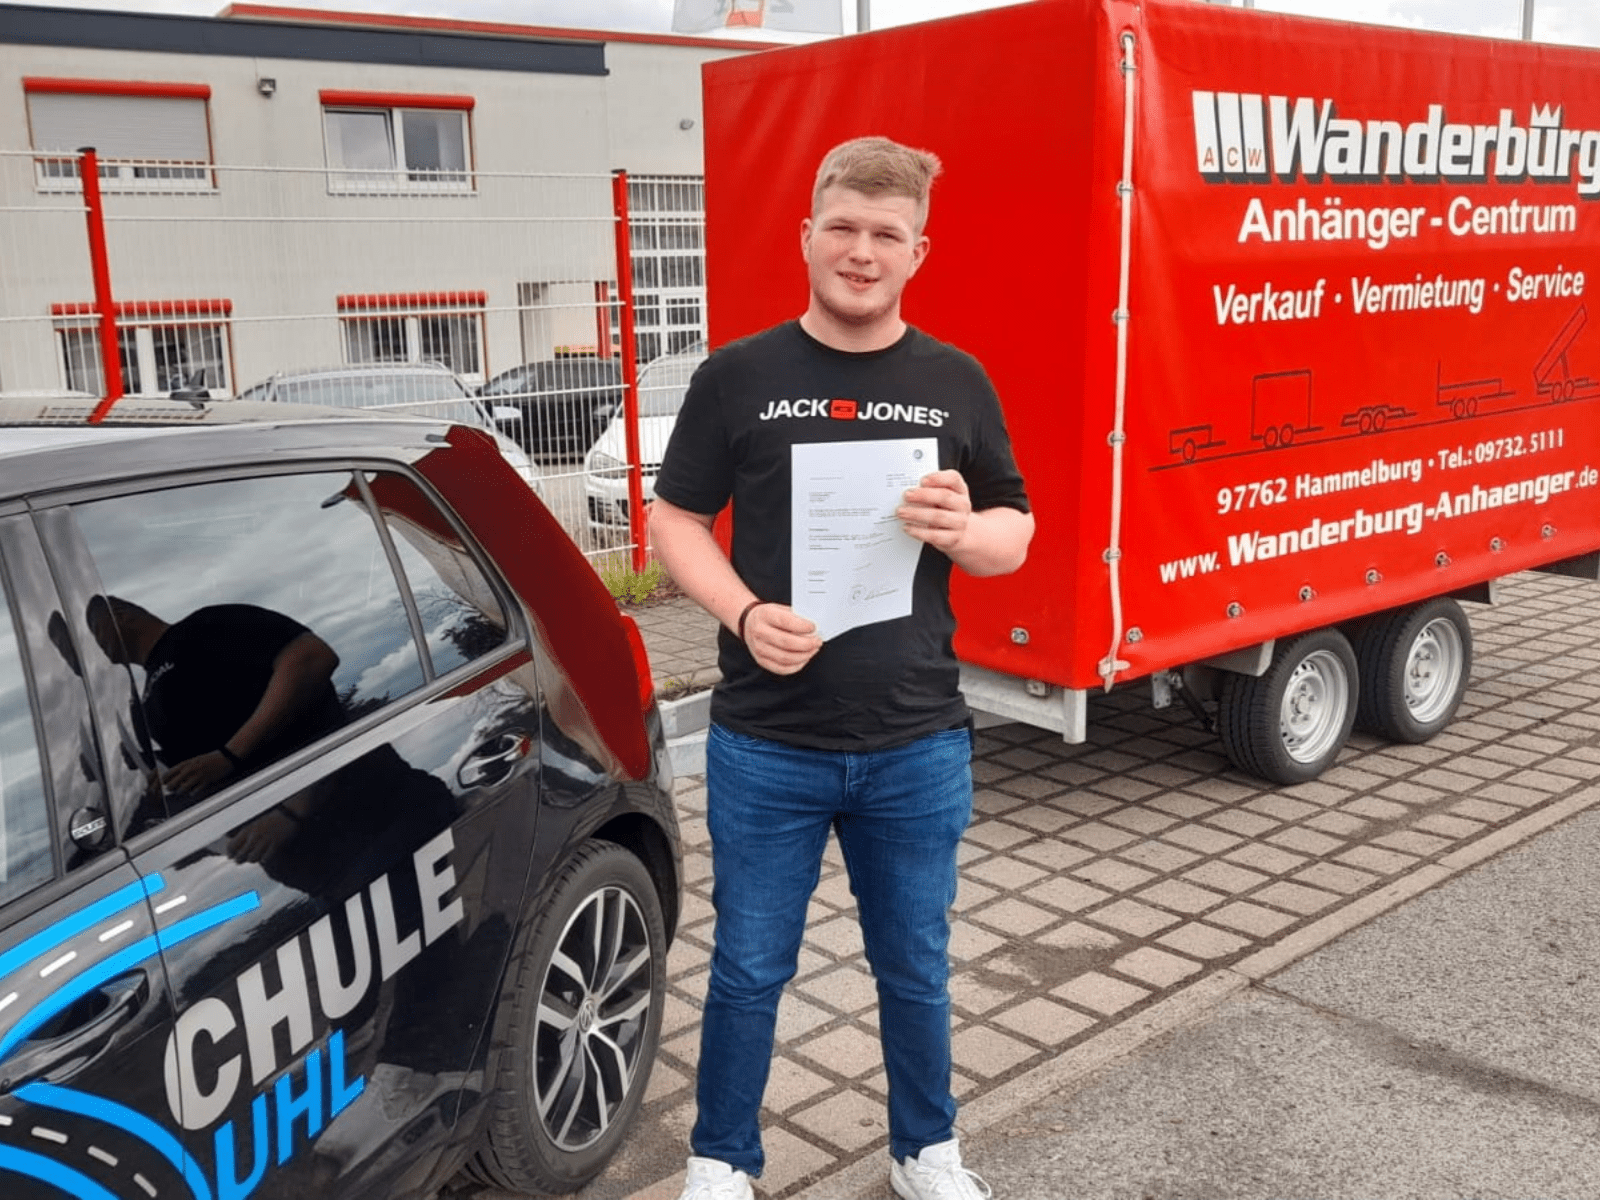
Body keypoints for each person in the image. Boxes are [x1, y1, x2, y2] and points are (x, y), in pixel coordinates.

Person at [649, 136, 1034, 1200]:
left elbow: (1014, 532)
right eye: (844, 229)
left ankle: (925, 1151)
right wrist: (742, 610)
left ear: (918, 252)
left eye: (886, 235)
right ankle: (721, 1160)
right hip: (767, 741)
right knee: (747, 967)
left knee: (914, 965)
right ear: (807, 235)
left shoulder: (955, 381)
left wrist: (966, 530)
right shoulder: (738, 375)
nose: (862, 252)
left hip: (916, 740)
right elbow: (675, 519)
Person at [85, 595, 345, 854]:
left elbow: (312, 656)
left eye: (96, 630)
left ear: (120, 615)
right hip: (265, 849)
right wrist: (165, 780)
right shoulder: (146, 703)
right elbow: (205, 765)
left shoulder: (205, 626)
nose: (97, 645)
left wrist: (230, 756)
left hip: (336, 812)